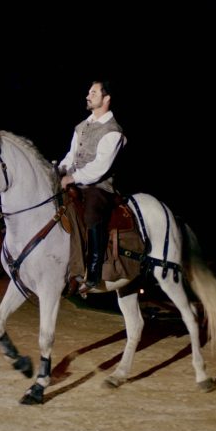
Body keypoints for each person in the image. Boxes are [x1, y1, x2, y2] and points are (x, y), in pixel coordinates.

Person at [58, 80, 126, 293]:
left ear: (106, 98)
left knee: (92, 212)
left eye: (93, 92)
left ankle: (94, 273)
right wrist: (60, 170)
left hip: (99, 186)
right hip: (76, 179)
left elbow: (99, 168)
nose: (88, 96)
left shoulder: (113, 131)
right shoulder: (81, 127)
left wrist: (73, 178)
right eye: (89, 92)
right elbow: (72, 156)